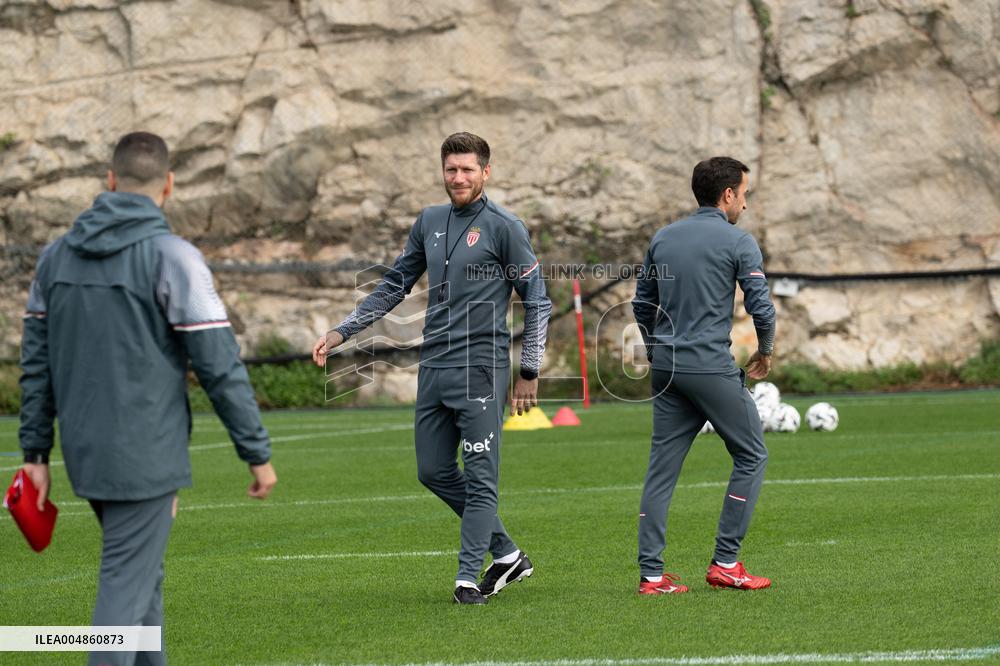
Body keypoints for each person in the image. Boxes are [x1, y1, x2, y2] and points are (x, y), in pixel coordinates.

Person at [18, 131, 277, 664]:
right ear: (169, 185)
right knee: (123, 593)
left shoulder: (53, 257)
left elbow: (36, 366)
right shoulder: (174, 257)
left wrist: (35, 454)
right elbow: (218, 365)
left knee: (142, 582)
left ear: (110, 181)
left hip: (85, 454)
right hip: (146, 457)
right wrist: (256, 452)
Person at [312, 132, 552, 605]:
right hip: (435, 364)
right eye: (451, 169)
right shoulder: (429, 221)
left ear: (486, 172)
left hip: (481, 366)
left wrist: (529, 370)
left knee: (480, 477)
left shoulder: (506, 227)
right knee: (433, 470)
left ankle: (467, 579)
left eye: (467, 169)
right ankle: (506, 554)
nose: (458, 178)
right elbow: (394, 284)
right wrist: (343, 331)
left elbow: (538, 300)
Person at [631, 156, 776, 594]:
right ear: (728, 194)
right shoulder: (739, 241)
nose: (745, 204)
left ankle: (652, 576)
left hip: (667, 370)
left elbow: (641, 304)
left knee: (661, 471)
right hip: (709, 367)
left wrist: (655, 351)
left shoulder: (663, 237)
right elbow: (761, 307)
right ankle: (726, 562)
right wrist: (766, 350)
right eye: (744, 194)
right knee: (752, 455)